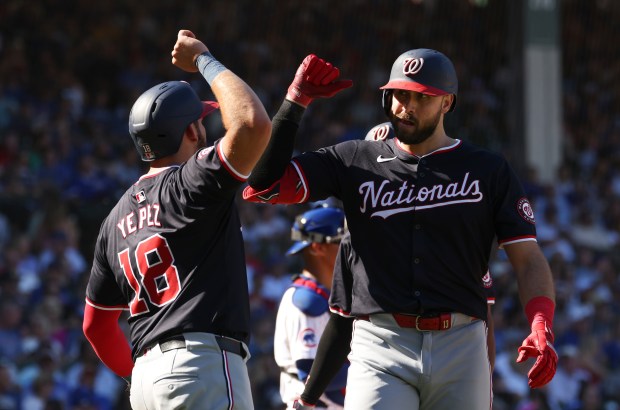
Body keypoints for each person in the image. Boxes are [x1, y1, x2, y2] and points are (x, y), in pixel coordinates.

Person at [243, 50, 557, 409]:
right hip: (380, 342)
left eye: (422, 97)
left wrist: (540, 321)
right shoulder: (354, 160)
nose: (405, 106)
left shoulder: (487, 170)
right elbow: (264, 186)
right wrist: (295, 102)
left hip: (461, 342)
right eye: (400, 94)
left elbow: (528, 259)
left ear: (447, 103)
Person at [82, 29, 271, 410]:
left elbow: (96, 327)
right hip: (201, 364)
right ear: (190, 130)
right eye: (199, 121)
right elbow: (252, 123)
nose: (204, 128)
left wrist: (136, 375)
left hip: (147, 384)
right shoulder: (192, 180)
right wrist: (203, 57)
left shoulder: (113, 220)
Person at [274, 205, 348, 410]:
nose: (350, 247)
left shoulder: (326, 293)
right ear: (318, 247)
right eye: (342, 240)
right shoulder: (307, 301)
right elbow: (311, 373)